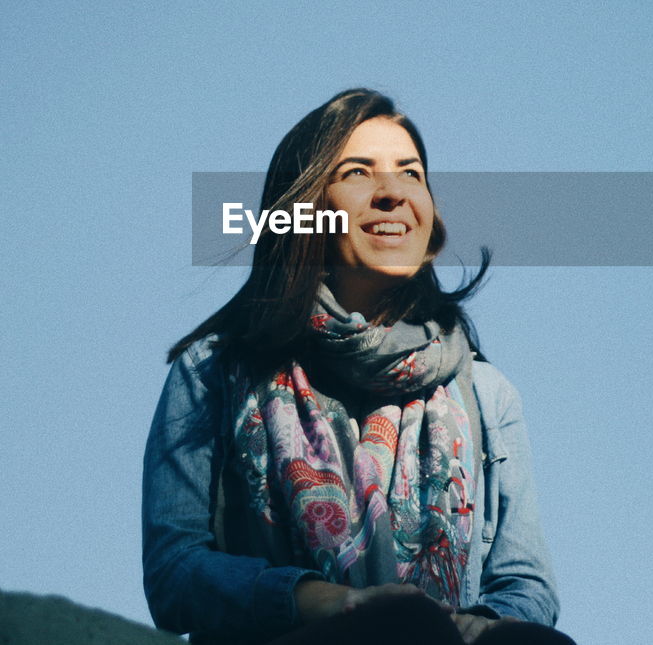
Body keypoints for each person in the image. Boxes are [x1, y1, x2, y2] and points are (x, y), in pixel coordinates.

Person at [143, 89, 574, 645]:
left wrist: (469, 628)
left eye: (411, 174)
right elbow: (175, 571)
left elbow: (526, 582)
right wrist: (327, 604)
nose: (393, 193)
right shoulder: (213, 372)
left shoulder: (487, 394)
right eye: (358, 173)